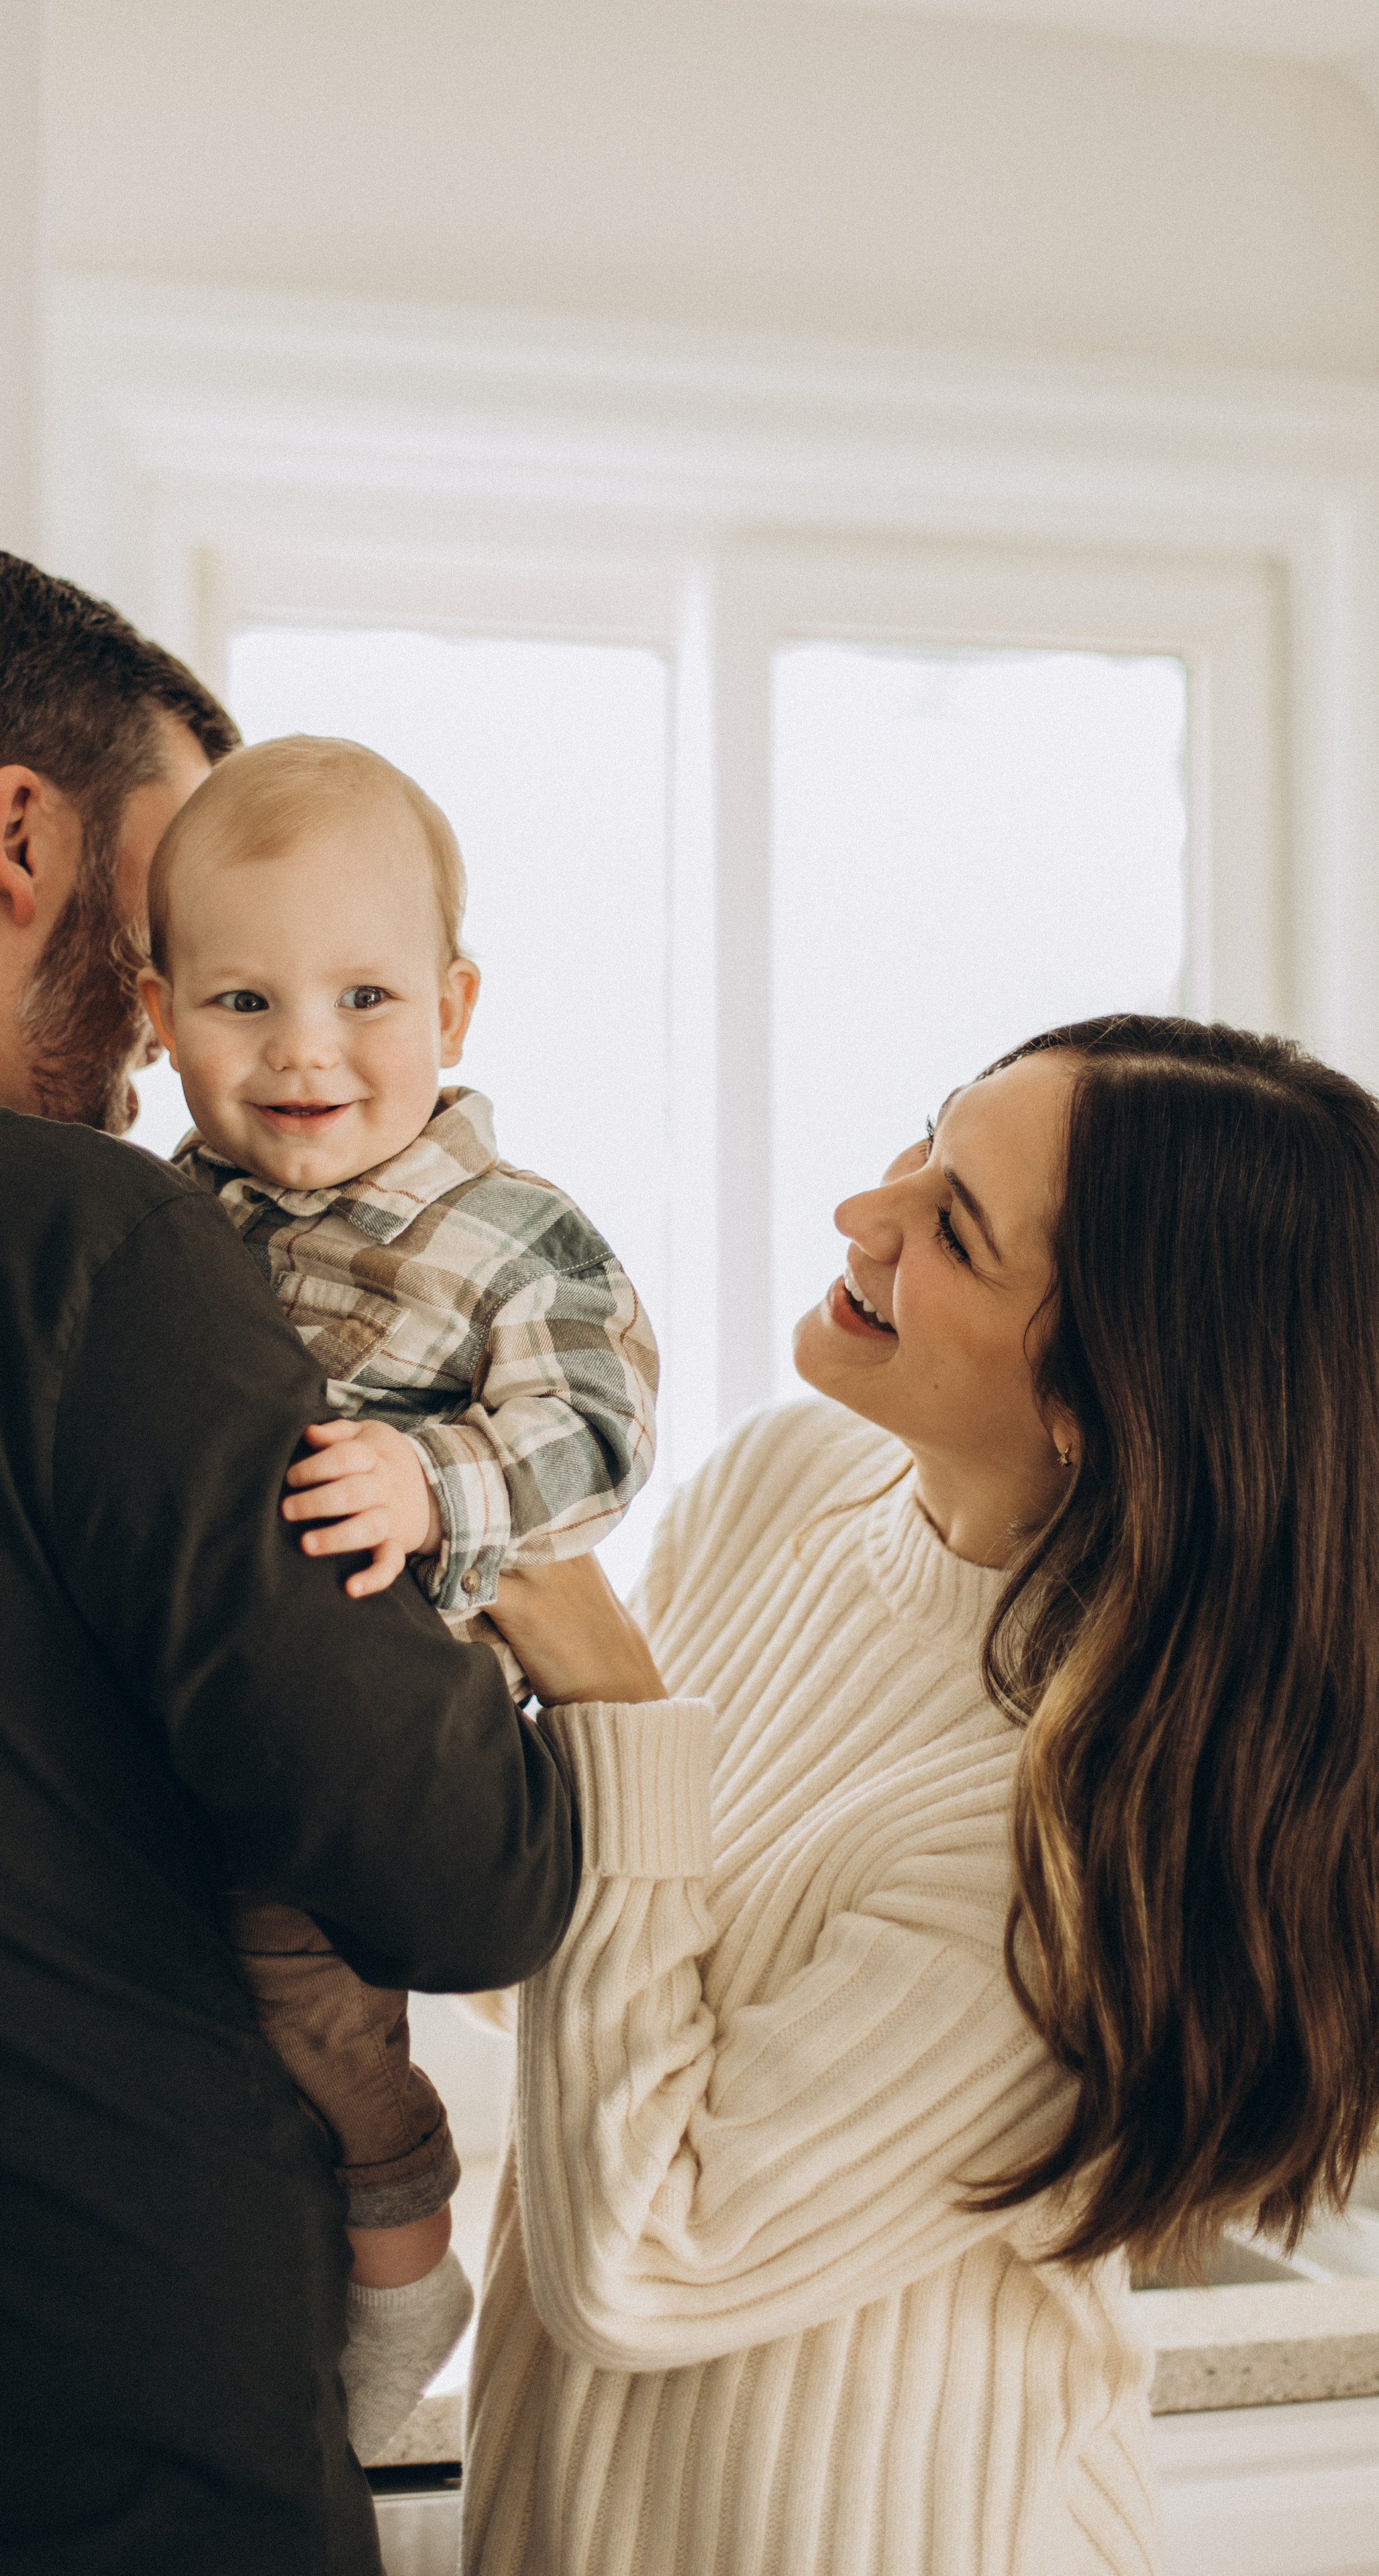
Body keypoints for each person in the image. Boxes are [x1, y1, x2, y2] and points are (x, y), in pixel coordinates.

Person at [0, 540, 579, 2576]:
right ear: (23, 835)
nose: (174, 1032)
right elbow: (463, 1871)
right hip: (93, 2473)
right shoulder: (81, 1243)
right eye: (174, 916)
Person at [463, 1015, 1379, 2576]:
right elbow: (550, 1977)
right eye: (925, 1143)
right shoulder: (786, 1482)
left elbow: (642, 2255)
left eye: (952, 1227)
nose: (862, 1218)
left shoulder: (1082, 1835)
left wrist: (606, 1692)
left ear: (1099, 1401)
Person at [136, 734, 659, 2457]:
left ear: (457, 1002)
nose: (304, 1051)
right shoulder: (157, 1218)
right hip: (164, 1713)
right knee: (191, 2021)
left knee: (316, 2015)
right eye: (239, 1000)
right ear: (154, 1012)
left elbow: (594, 1431)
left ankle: (399, 2270)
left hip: (369, 1738)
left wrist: (433, 1485)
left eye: (365, 995)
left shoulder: (507, 1234)